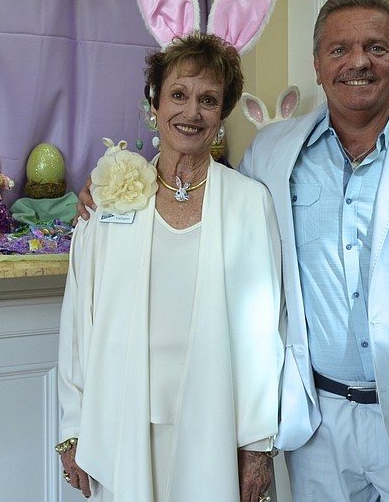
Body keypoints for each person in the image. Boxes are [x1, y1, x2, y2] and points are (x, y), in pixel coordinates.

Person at [79, 0, 389, 501]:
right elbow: (210, 208)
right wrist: (116, 184)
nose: (358, 62)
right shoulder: (273, 152)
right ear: (316, 65)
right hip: (316, 426)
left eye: (376, 48)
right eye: (339, 49)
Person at [58, 33, 284, 502]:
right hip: (122, 420)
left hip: (217, 424)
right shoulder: (110, 198)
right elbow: (80, 319)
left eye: (208, 100)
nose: (191, 112)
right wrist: (73, 426)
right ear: (154, 104)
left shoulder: (249, 202)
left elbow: (267, 334)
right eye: (178, 95)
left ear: (222, 115)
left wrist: (258, 446)